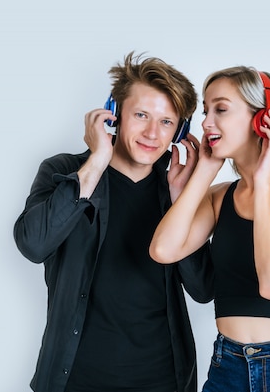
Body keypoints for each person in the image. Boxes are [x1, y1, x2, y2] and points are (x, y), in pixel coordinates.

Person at [13, 51, 213, 392]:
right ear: (114, 113)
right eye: (141, 115)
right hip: (74, 378)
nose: (152, 132)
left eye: (166, 122)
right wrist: (95, 162)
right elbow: (33, 244)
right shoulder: (63, 171)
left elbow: (203, 288)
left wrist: (182, 200)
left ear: (180, 131)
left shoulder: (178, 189)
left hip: (163, 379)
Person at [149, 66, 270, 391]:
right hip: (228, 366)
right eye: (206, 111)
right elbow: (163, 250)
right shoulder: (220, 196)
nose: (207, 122)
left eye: (220, 109)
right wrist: (204, 172)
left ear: (263, 118)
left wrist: (262, 181)